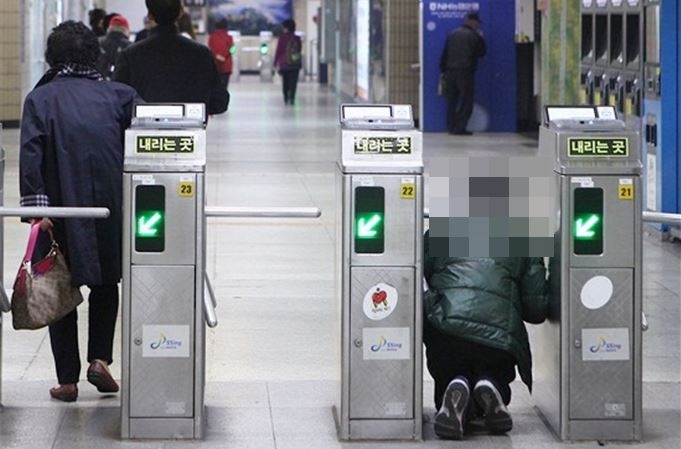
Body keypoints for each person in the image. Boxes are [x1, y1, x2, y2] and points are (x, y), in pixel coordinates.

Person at [19, 20, 139, 402]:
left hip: (60, 208)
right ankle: (100, 360)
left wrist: (37, 210)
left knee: (60, 288)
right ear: (95, 54)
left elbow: (31, 155)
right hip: (110, 206)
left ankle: (67, 380)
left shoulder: (40, 99)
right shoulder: (121, 95)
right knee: (107, 282)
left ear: (52, 57)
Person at [423, 231, 549, 439]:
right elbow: (535, 311)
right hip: (497, 339)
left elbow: (419, 280)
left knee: (448, 370)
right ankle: (490, 383)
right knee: (495, 370)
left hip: (447, 331)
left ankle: (455, 384)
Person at [114, 0, 229, 115]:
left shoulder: (130, 55)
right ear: (181, 12)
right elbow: (220, 102)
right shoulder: (202, 54)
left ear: (150, 16)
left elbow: (117, 99)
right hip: (190, 124)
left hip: (142, 124)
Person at [440, 12, 486, 135]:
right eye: (477, 23)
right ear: (473, 21)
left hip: (450, 72)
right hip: (465, 72)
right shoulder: (474, 36)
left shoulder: (452, 34)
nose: (477, 25)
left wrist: (443, 72)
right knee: (466, 101)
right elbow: (482, 53)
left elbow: (445, 54)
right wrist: (481, 38)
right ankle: (459, 128)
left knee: (452, 101)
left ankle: (451, 127)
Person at [274, 19, 302, 105]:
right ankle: (292, 98)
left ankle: (286, 98)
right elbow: (299, 49)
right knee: (293, 82)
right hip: (295, 64)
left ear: (286, 28)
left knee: (285, 82)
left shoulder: (282, 38)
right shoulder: (297, 38)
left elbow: (278, 51)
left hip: (284, 64)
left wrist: (275, 63)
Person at [96, 15, 131, 80]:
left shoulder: (97, 42)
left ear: (109, 28)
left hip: (97, 81)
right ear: (126, 30)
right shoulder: (130, 46)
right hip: (120, 83)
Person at [208, 18, 234, 90]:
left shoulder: (212, 37)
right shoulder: (229, 37)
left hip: (215, 64)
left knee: (215, 87)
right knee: (224, 87)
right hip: (226, 65)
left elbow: (210, 48)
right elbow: (232, 49)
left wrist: (217, 56)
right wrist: (225, 56)